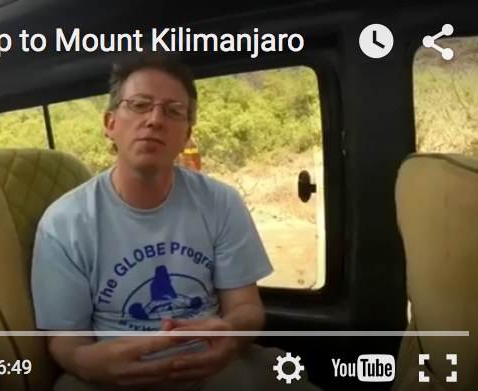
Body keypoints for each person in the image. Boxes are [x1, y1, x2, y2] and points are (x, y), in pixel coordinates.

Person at [30, 54, 322, 391]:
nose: (155, 120)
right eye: (139, 105)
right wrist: (88, 364)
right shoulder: (64, 223)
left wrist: (231, 335)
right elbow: (66, 340)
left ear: (186, 135)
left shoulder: (220, 201)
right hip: (114, 376)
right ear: (110, 124)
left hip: (212, 366)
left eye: (173, 111)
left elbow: (245, 307)